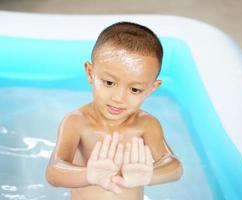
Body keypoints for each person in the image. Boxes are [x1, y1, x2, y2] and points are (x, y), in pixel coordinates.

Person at [46, 21, 183, 200]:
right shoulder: (76, 122)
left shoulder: (146, 125)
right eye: (109, 83)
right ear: (90, 73)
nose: (118, 98)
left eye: (135, 89)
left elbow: (174, 167)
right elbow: (54, 171)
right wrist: (88, 175)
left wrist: (149, 175)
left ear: (151, 89)